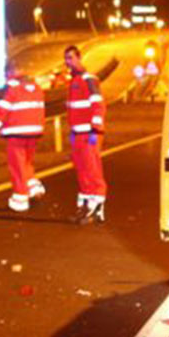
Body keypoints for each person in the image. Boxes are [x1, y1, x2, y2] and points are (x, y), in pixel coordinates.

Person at [0, 60, 46, 211]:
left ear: (8, 73)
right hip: (34, 131)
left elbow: (2, 109)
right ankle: (33, 186)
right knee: (26, 162)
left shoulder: (10, 88)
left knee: (17, 166)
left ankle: (20, 198)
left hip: (17, 132)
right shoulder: (35, 87)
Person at [63, 45, 107, 223]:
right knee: (82, 170)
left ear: (79, 58)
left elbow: (98, 104)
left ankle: (96, 205)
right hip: (78, 133)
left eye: (71, 58)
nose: (68, 62)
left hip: (89, 133)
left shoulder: (89, 79)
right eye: (66, 58)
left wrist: (95, 129)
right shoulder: (74, 81)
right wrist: (72, 130)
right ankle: (86, 204)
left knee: (92, 169)